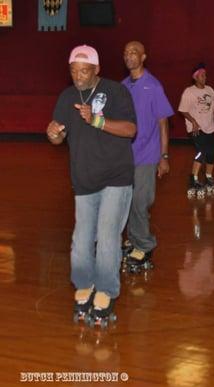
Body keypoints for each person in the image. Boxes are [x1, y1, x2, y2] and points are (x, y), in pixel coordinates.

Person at [46, 44, 137, 326]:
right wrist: (53, 134)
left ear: (97, 69)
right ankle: (84, 284)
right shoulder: (66, 97)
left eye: (84, 71)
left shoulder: (115, 92)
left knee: (108, 236)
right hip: (84, 179)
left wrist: (97, 119)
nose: (78, 76)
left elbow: (130, 130)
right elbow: (59, 136)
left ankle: (106, 291)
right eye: (73, 70)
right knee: (81, 240)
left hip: (116, 177)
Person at [121, 41, 174, 273]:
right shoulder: (122, 86)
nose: (129, 56)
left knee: (141, 201)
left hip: (147, 154)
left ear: (143, 57)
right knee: (127, 201)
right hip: (125, 156)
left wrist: (164, 156)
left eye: (134, 52)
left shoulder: (153, 86)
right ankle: (133, 239)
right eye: (126, 53)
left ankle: (144, 245)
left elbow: (163, 124)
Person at [178, 63, 214, 197]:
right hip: (195, 129)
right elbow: (182, 110)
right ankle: (194, 179)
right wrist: (194, 121)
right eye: (202, 75)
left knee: (211, 153)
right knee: (201, 151)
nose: (205, 77)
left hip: (210, 128)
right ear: (195, 77)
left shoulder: (210, 90)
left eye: (205, 75)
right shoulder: (189, 92)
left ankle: (208, 176)